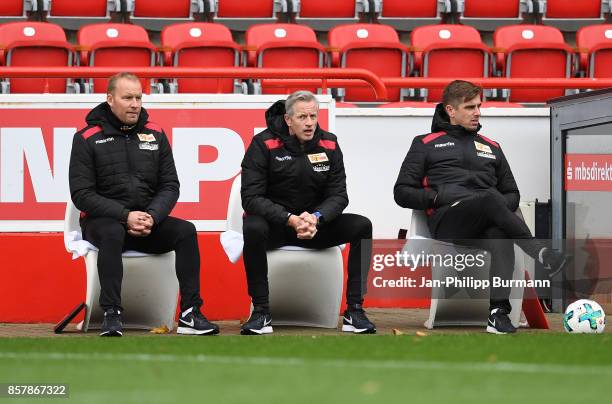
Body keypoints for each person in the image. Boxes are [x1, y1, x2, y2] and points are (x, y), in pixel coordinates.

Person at [393, 80, 569, 335]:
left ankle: (498, 314)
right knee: (489, 198)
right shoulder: (425, 143)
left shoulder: (492, 146)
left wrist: (495, 206)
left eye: (479, 106)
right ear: (450, 111)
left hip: (485, 222)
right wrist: (438, 196)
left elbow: (512, 193)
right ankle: (541, 253)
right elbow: (402, 192)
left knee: (500, 235)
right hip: (448, 222)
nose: (477, 112)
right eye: (469, 107)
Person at [68, 72, 219, 337]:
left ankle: (190, 313)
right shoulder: (87, 137)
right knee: (113, 232)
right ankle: (111, 313)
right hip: (102, 223)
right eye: (127, 98)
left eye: (138, 97)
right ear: (110, 99)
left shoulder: (156, 134)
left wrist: (152, 215)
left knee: (186, 231)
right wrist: (125, 216)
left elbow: (170, 185)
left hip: (147, 223)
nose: (135, 104)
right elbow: (81, 194)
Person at [240, 90, 376, 335]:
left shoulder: (330, 143)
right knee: (252, 227)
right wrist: (289, 219)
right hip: (277, 226)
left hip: (315, 227)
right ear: (288, 119)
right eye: (303, 117)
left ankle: (355, 310)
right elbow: (250, 199)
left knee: (362, 226)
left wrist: (316, 218)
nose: (310, 123)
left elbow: (339, 195)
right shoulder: (263, 143)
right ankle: (261, 311)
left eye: (313, 116)